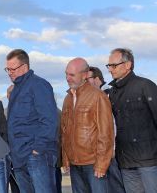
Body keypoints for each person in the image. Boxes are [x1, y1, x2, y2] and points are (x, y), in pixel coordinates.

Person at [6, 49, 58, 192]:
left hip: (36, 155)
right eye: (7, 69)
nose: (10, 73)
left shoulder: (39, 85)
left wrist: (37, 149)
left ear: (24, 66)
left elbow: (49, 120)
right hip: (19, 157)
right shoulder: (16, 89)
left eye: (13, 69)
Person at [107, 48, 157, 192]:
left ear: (128, 65)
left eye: (114, 65)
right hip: (125, 162)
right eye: (109, 65)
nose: (110, 69)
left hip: (149, 161)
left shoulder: (145, 86)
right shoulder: (113, 92)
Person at [61, 58, 114, 193]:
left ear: (84, 75)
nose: (68, 78)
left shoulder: (98, 96)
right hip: (74, 164)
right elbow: (65, 130)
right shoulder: (67, 99)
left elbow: (106, 133)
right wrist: (66, 158)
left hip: (93, 164)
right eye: (66, 74)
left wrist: (101, 164)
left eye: (72, 75)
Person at [88, 66, 126, 193]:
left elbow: (112, 124)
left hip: (111, 153)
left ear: (97, 79)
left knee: (115, 187)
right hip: (94, 155)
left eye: (88, 79)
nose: (85, 82)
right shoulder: (89, 98)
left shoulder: (109, 95)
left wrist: (112, 149)